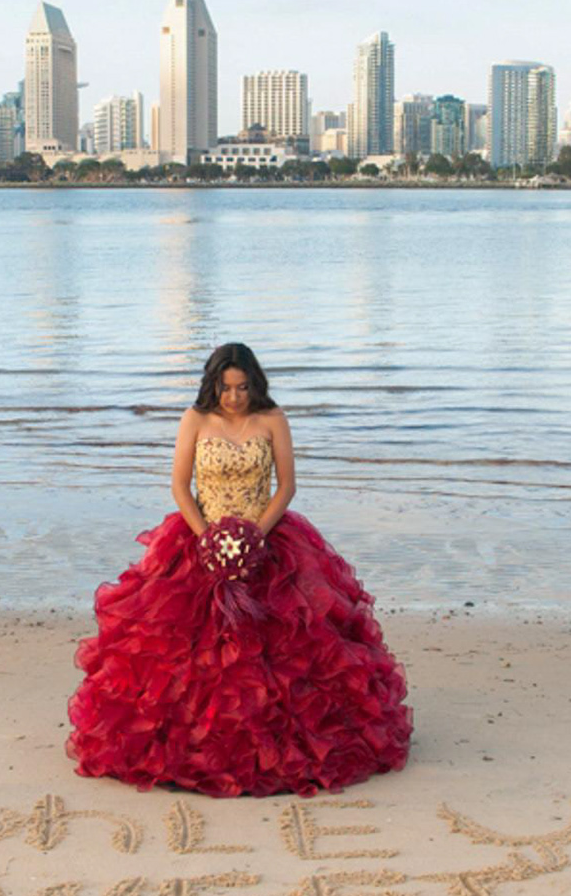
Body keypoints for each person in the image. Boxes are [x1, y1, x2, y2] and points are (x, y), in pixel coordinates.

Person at [65, 342, 413, 798]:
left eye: (243, 387)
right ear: (213, 385)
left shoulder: (273, 419)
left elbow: (286, 487)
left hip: (266, 538)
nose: (234, 397)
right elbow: (180, 485)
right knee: (183, 647)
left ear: (255, 385)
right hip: (201, 536)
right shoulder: (195, 419)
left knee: (288, 646)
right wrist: (207, 539)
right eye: (226, 388)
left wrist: (254, 537)